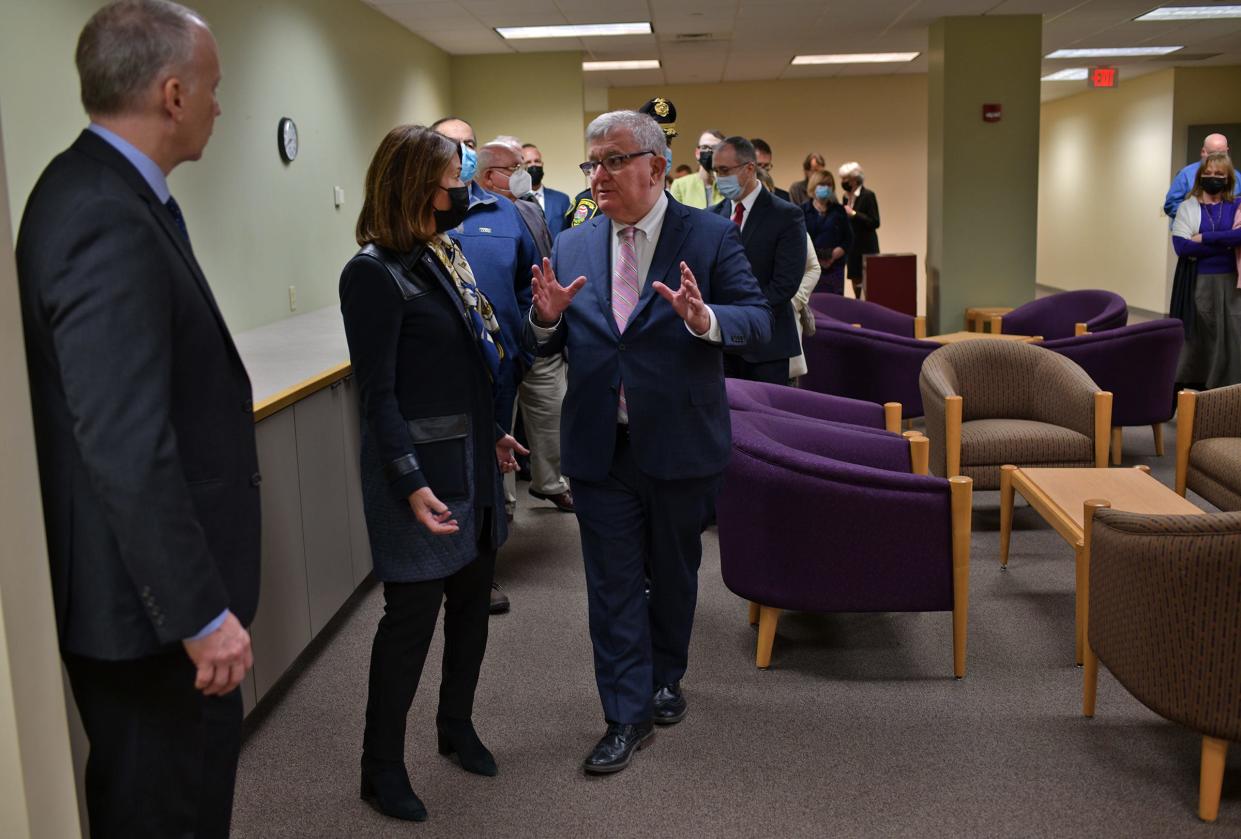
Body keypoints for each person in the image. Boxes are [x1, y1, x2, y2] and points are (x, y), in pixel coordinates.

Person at [15, 3, 258, 835]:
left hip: (146, 609)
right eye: (214, 88)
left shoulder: (106, 193)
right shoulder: (101, 216)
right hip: (149, 620)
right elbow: (124, 442)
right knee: (166, 810)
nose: (221, 106)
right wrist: (198, 613)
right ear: (172, 94)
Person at [524, 110, 771, 775]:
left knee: (672, 572)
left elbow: (757, 321)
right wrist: (543, 320)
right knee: (610, 586)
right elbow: (546, 336)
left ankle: (667, 675)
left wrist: (705, 317)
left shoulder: (710, 236)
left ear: (656, 167)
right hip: (599, 446)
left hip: (680, 442)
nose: (597, 175)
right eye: (591, 163)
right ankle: (624, 713)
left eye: (611, 160)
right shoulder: (573, 242)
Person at [340, 125, 528, 823]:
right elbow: (379, 394)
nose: (465, 191)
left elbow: (467, 365)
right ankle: (379, 766)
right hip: (417, 476)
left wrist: (498, 433)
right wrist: (408, 480)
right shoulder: (372, 272)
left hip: (472, 462)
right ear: (417, 184)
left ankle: (456, 725)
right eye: (455, 180)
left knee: (472, 607)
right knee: (410, 620)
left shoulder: (440, 252)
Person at [433, 116, 538, 613]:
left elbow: (526, 286)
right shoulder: (426, 224)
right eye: (456, 145)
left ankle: (485, 573)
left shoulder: (507, 212)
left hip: (498, 368)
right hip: (445, 377)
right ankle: (447, 571)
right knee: (454, 476)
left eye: (470, 144)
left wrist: (523, 350)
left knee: (495, 473)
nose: (465, 152)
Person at [477, 137, 573, 513]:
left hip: (540, 331)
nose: (524, 175)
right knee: (502, 418)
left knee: (551, 411)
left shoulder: (530, 208)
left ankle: (551, 482)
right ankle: (505, 497)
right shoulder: (473, 216)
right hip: (501, 338)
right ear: (488, 176)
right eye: (514, 168)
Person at [708, 136, 808, 383]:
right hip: (721, 344)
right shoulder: (712, 216)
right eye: (715, 171)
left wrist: (743, 314)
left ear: (749, 168)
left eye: (724, 171)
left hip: (767, 346)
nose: (719, 178)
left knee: (764, 420)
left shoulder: (786, 215)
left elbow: (785, 284)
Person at [1171, 152, 1241, 389]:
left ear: (1228, 178)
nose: (1213, 178)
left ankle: (1227, 393)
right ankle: (1200, 391)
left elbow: (1240, 235)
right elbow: (1182, 246)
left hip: (1232, 283)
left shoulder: (1237, 204)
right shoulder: (1187, 208)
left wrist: (1205, 238)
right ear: (1200, 177)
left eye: (1219, 174)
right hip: (1199, 282)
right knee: (1202, 338)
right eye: (1208, 174)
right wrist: (1226, 245)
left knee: (1230, 337)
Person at [565, 96, 681, 231]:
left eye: (667, 143)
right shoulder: (593, 203)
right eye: (653, 144)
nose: (662, 150)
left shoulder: (680, 212)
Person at [802, 169, 852, 295]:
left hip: (835, 268)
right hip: (811, 268)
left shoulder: (839, 210)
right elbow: (799, 239)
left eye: (829, 185)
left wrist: (833, 256)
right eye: (822, 185)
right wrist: (817, 259)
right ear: (813, 187)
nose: (826, 188)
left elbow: (849, 238)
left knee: (835, 306)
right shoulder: (802, 210)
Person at [839, 161, 880, 298]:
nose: (843, 182)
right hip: (853, 246)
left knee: (868, 284)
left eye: (845, 179)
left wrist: (854, 214)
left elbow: (875, 222)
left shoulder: (868, 195)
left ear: (855, 179)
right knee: (855, 280)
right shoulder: (846, 197)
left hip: (866, 246)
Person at [1165, 133, 1230, 219]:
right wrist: (1197, 218)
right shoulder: (1186, 174)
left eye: (1221, 154)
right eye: (1212, 153)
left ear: (1227, 152)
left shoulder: (1236, 177)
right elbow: (1171, 206)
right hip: (1191, 230)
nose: (1216, 158)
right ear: (1203, 152)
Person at [789, 231, 823, 382]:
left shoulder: (791, 222)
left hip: (784, 324)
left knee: (785, 391)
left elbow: (813, 268)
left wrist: (794, 301)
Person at [522, 142, 571, 237]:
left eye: (537, 161)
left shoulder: (562, 200)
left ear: (542, 164)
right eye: (528, 162)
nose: (533, 165)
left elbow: (569, 233)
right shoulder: (515, 202)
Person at [669, 128, 726, 208]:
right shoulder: (680, 185)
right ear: (697, 153)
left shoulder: (728, 184)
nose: (709, 151)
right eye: (705, 147)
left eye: (715, 148)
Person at [750, 137, 791, 202]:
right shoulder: (734, 198)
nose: (763, 170)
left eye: (766, 165)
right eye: (758, 165)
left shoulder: (784, 198)